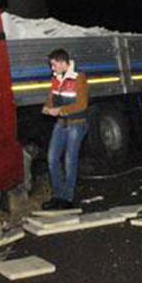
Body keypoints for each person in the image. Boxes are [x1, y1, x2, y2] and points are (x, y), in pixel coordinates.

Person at [41, 48, 89, 210]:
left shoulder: (79, 77)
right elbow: (51, 97)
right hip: (61, 124)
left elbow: (82, 104)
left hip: (76, 124)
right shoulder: (57, 78)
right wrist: (47, 107)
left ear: (63, 63)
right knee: (52, 158)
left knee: (70, 160)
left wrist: (60, 111)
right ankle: (57, 196)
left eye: (54, 65)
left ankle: (67, 198)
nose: (52, 69)